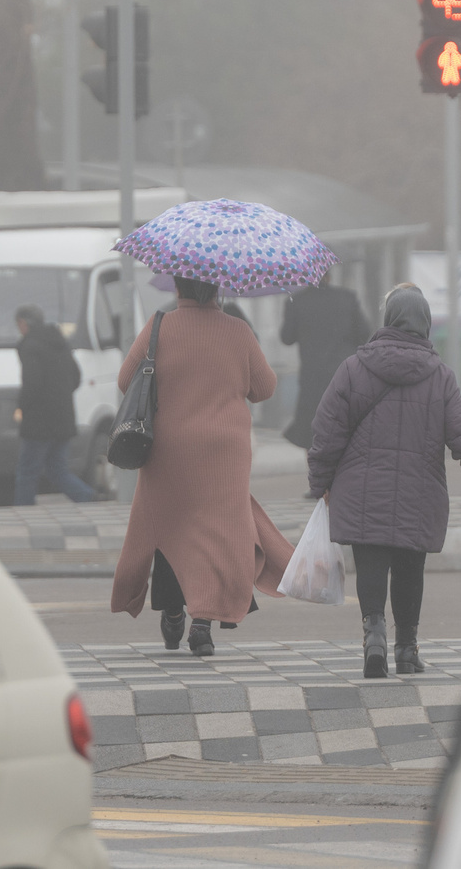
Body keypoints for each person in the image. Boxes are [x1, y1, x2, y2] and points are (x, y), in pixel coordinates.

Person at [308, 284, 461, 679]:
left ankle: (374, 636)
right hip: (419, 492)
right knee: (410, 568)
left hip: (363, 490)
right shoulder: (440, 377)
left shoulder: (353, 368)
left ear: (388, 320)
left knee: (372, 562)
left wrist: (320, 482)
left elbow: (326, 432)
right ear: (425, 324)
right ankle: (407, 649)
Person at [108, 277, 295, 657]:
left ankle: (173, 612)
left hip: (168, 450)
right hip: (223, 453)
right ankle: (203, 624)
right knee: (217, 534)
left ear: (177, 288)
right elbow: (265, 388)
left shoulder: (159, 327)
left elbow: (126, 379)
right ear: (218, 289)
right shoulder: (238, 331)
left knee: (169, 527)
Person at [13, 303, 108, 503]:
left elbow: (32, 383)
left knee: (27, 472)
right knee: (57, 469)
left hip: (39, 421)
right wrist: (60, 396)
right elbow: (75, 376)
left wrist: (22, 405)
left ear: (23, 323)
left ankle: (23, 512)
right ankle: (88, 497)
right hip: (63, 416)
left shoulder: (30, 345)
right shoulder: (60, 342)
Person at [280, 283, 369, 449]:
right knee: (344, 425)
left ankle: (315, 470)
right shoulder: (347, 298)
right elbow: (364, 334)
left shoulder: (297, 301)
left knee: (312, 431)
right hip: (344, 375)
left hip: (312, 378)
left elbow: (287, 338)